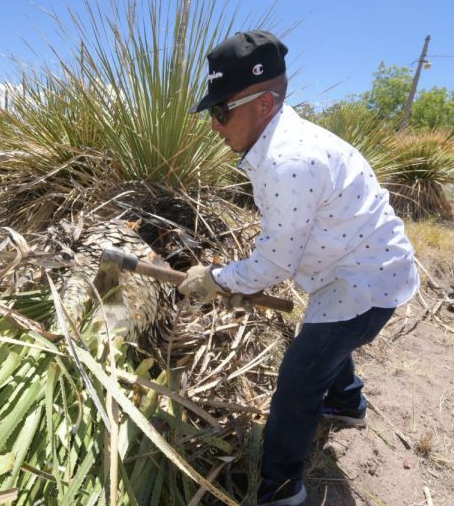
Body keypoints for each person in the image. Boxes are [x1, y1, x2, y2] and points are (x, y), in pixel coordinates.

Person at [177, 30, 420, 506]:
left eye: (221, 110)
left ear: (264, 104)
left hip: (365, 282)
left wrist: (216, 279)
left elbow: (275, 262)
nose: (214, 125)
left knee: (296, 384)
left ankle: (281, 487)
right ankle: (348, 405)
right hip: (351, 275)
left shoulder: (290, 159)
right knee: (326, 336)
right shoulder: (281, 142)